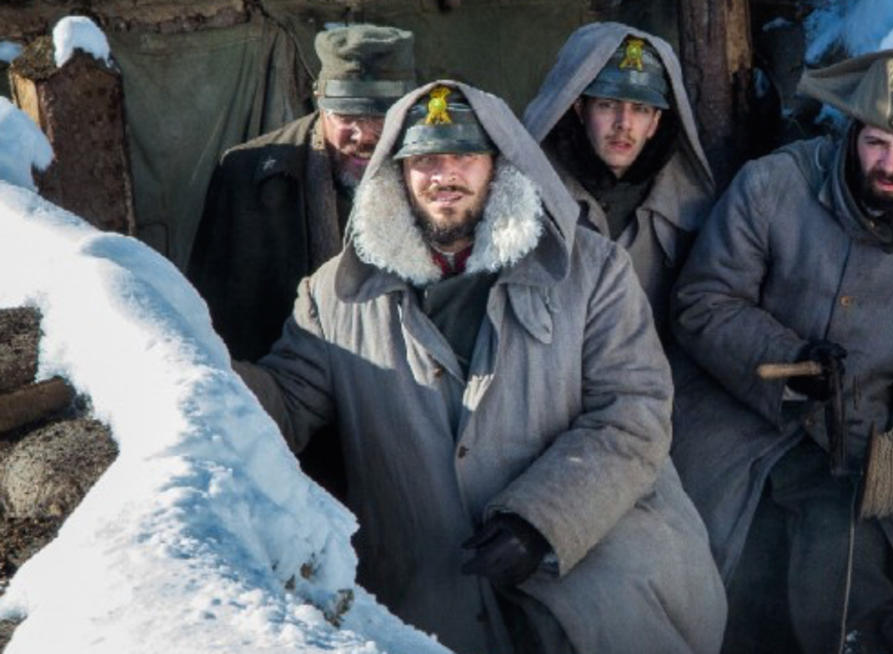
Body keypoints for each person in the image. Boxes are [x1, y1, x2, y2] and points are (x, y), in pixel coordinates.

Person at [234, 81, 727, 654]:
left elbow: (635, 415)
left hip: (589, 578)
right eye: (425, 160)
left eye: (465, 156)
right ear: (398, 173)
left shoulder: (591, 271)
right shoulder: (336, 296)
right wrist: (198, 370)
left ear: (499, 166)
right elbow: (284, 405)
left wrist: (543, 519)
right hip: (429, 598)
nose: (445, 175)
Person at [670, 49, 893, 653]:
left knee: (857, 571)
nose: (888, 164)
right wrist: (791, 365)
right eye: (876, 142)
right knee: (739, 575)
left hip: (856, 442)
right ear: (852, 133)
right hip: (738, 421)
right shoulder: (772, 185)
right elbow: (702, 302)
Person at [187, 24, 415, 499]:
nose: (363, 135)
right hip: (282, 428)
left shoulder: (435, 178)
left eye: (380, 117)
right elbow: (209, 313)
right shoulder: (246, 175)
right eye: (346, 116)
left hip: (397, 434)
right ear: (318, 101)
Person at [523, 23, 714, 332]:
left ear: (655, 122)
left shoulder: (687, 211)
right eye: (607, 105)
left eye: (640, 109)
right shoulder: (530, 203)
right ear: (579, 109)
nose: (623, 124)